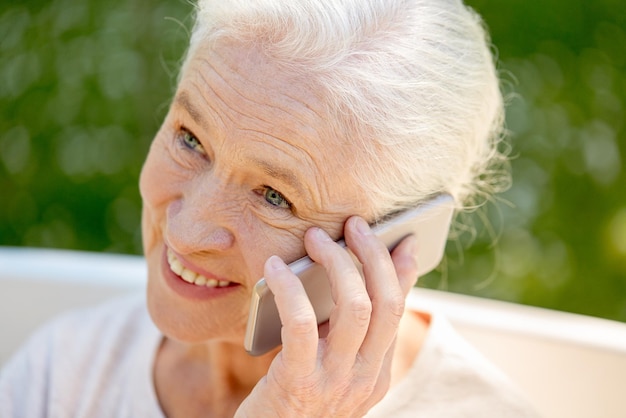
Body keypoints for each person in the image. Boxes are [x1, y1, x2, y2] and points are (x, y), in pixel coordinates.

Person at [0, 0, 539, 416]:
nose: (185, 232)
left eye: (275, 197)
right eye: (190, 139)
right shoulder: (65, 373)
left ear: (397, 241)